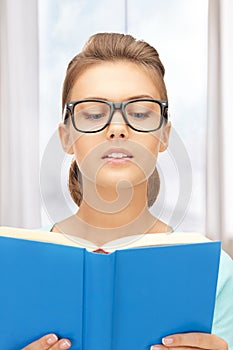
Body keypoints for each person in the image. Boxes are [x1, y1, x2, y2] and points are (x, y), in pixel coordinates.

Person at [23, 33, 233, 350]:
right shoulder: (12, 264)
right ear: (66, 137)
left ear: (164, 135)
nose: (117, 128)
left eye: (139, 113)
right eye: (94, 114)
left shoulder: (216, 271)